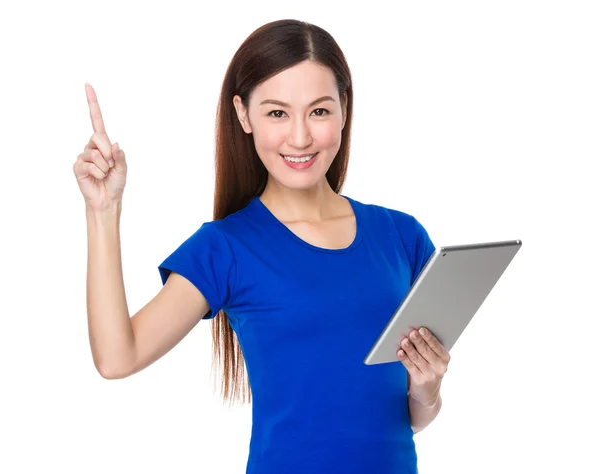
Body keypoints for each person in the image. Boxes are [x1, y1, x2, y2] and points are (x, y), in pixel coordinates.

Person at [74, 18, 451, 474]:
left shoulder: (403, 237)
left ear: (344, 110)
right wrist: (103, 210)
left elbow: (407, 420)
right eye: (277, 113)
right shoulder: (226, 249)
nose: (299, 137)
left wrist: (426, 390)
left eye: (319, 111)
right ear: (243, 114)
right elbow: (118, 357)